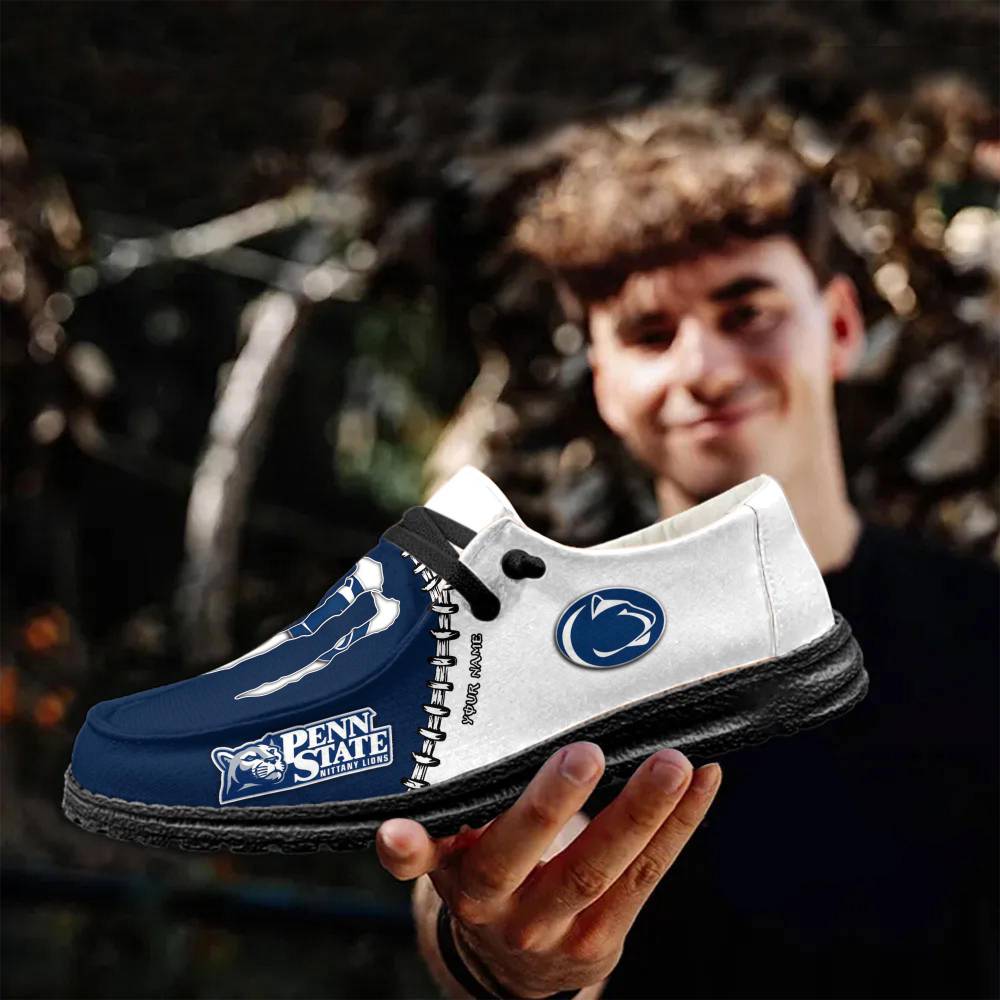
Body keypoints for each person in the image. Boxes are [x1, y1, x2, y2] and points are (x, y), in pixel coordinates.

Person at [375, 109, 999, 998]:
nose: (703, 367)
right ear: (604, 382)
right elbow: (487, 892)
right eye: (648, 333)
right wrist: (505, 954)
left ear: (839, 326)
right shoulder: (532, 659)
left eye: (747, 312)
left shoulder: (983, 627)